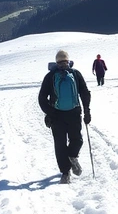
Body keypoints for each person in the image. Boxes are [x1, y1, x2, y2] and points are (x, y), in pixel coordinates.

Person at [38, 50, 92, 184]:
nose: (63, 63)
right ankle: (68, 164)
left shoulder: (51, 76)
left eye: (64, 61)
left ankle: (68, 165)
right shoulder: (74, 73)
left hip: (58, 115)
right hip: (72, 113)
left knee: (63, 144)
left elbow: (42, 98)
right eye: (63, 61)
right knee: (74, 140)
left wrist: (50, 112)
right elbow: (84, 92)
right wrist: (86, 110)